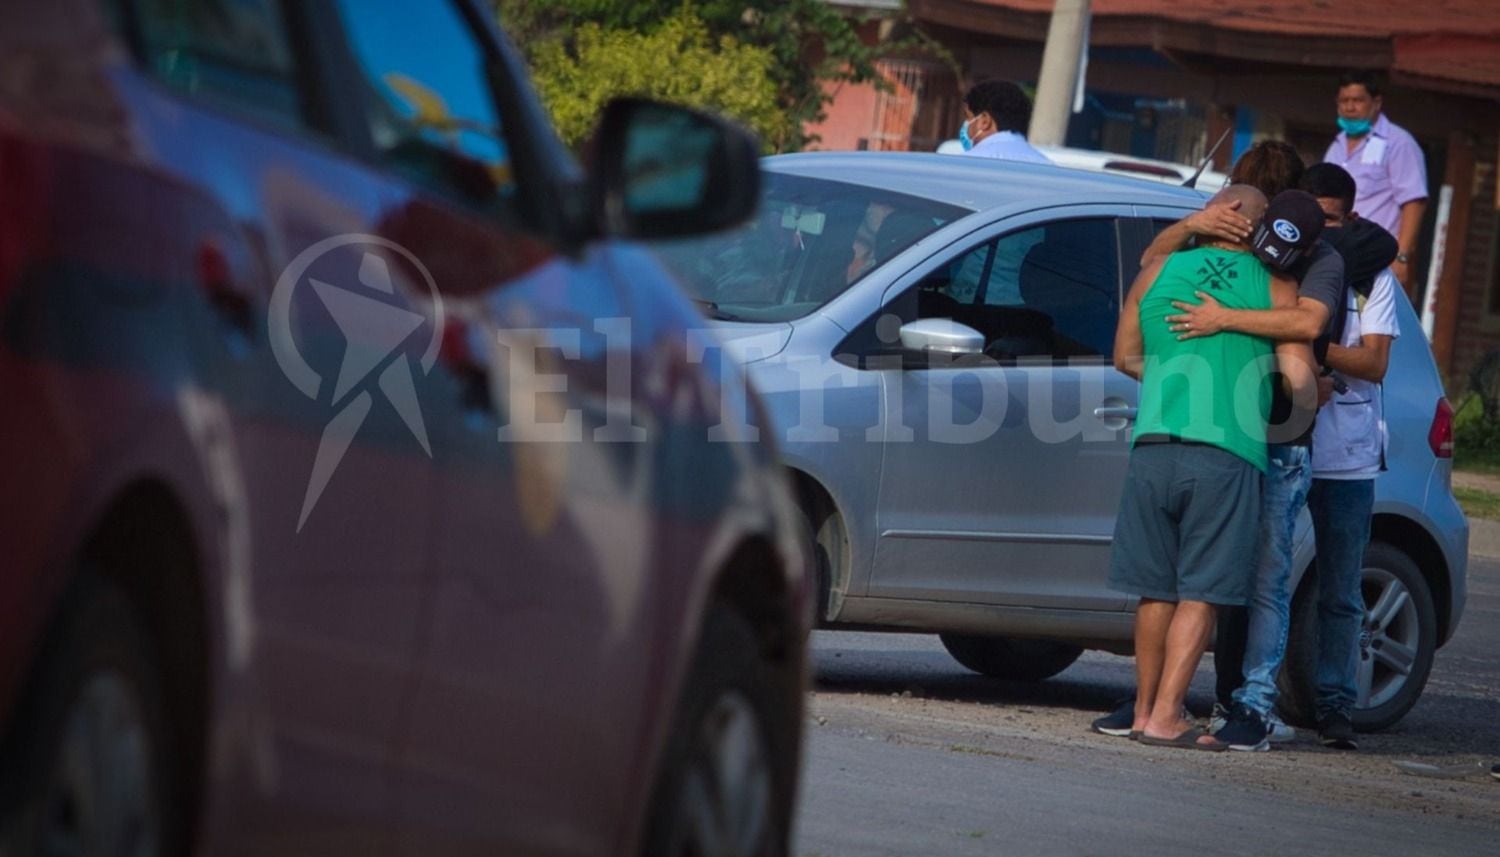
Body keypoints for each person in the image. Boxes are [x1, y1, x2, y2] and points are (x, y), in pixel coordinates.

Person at [1133, 142, 1344, 747]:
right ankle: (1160, 701)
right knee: (1199, 579)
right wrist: (1194, 224)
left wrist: (1221, 320)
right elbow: (1152, 260)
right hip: (1225, 430)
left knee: (1258, 579)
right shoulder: (1212, 245)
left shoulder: (1316, 257)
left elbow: (1305, 324)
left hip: (1276, 438)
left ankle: (1249, 703)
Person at [1303, 163, 1401, 750]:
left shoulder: (1372, 278)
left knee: (1341, 591)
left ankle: (1335, 705)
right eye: (1315, 222)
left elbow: (1375, 363)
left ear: (1352, 217)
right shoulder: (1291, 264)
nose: (1324, 234)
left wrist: (1314, 343)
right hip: (1288, 445)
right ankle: (1245, 696)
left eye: (1333, 221)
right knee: (1261, 583)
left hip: (1347, 457)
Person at [1322, 70, 1428, 291]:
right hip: (1336, 254)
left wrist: (1401, 257)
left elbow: (1414, 201)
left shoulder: (1398, 143)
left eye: (1358, 100)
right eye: (1344, 101)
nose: (1350, 108)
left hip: (1377, 257)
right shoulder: (1336, 146)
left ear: (1376, 102)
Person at [957, 80, 1052, 164]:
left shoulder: (961, 165)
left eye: (968, 117)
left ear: (985, 121)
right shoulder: (1048, 166)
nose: (965, 125)